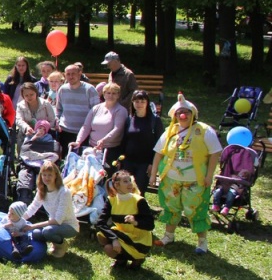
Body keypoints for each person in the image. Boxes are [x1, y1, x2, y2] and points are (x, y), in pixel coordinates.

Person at [150, 94, 222, 254]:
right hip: (171, 179)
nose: (183, 115)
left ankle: (202, 242)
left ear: (193, 114)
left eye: (186, 112)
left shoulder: (204, 130)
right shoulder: (170, 131)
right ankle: (169, 235)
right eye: (179, 112)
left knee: (196, 209)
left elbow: (215, 153)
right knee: (171, 207)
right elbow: (158, 153)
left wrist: (209, 175)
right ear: (175, 115)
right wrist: (153, 174)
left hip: (196, 180)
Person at [95, 170, 155, 269]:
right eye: (126, 181)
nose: (130, 184)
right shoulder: (111, 200)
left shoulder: (139, 200)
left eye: (130, 181)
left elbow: (150, 225)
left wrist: (136, 222)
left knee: (109, 244)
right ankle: (121, 259)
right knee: (103, 239)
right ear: (117, 185)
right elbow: (100, 223)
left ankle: (137, 259)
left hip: (139, 239)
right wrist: (114, 239)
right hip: (122, 234)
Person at [21, 160, 78, 257]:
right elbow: (33, 207)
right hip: (53, 225)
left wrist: (32, 226)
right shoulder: (42, 190)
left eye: (50, 175)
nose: (46, 178)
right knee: (36, 234)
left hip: (69, 226)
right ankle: (50, 245)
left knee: (47, 231)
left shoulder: (64, 192)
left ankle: (61, 245)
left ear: (56, 175)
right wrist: (20, 220)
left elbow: (58, 221)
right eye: (44, 175)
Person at [121, 90, 163, 194]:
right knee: (126, 189)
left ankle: (140, 210)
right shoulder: (129, 119)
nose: (139, 104)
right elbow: (124, 140)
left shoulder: (155, 121)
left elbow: (160, 143)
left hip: (145, 163)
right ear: (132, 102)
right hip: (128, 161)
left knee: (139, 190)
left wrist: (152, 164)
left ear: (147, 103)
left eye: (142, 101)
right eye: (136, 101)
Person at [71, 82, 127, 162]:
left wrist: (103, 140)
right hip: (92, 148)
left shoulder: (121, 110)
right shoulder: (96, 108)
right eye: (108, 93)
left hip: (110, 150)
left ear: (118, 95)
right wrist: (78, 141)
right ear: (104, 94)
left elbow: (117, 129)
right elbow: (86, 126)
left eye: (114, 93)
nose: (111, 96)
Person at [55, 64, 99, 150]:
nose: (71, 76)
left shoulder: (89, 89)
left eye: (73, 73)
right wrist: (57, 121)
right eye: (68, 74)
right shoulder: (62, 89)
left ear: (79, 74)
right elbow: (58, 109)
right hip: (65, 130)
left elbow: (96, 111)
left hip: (83, 132)